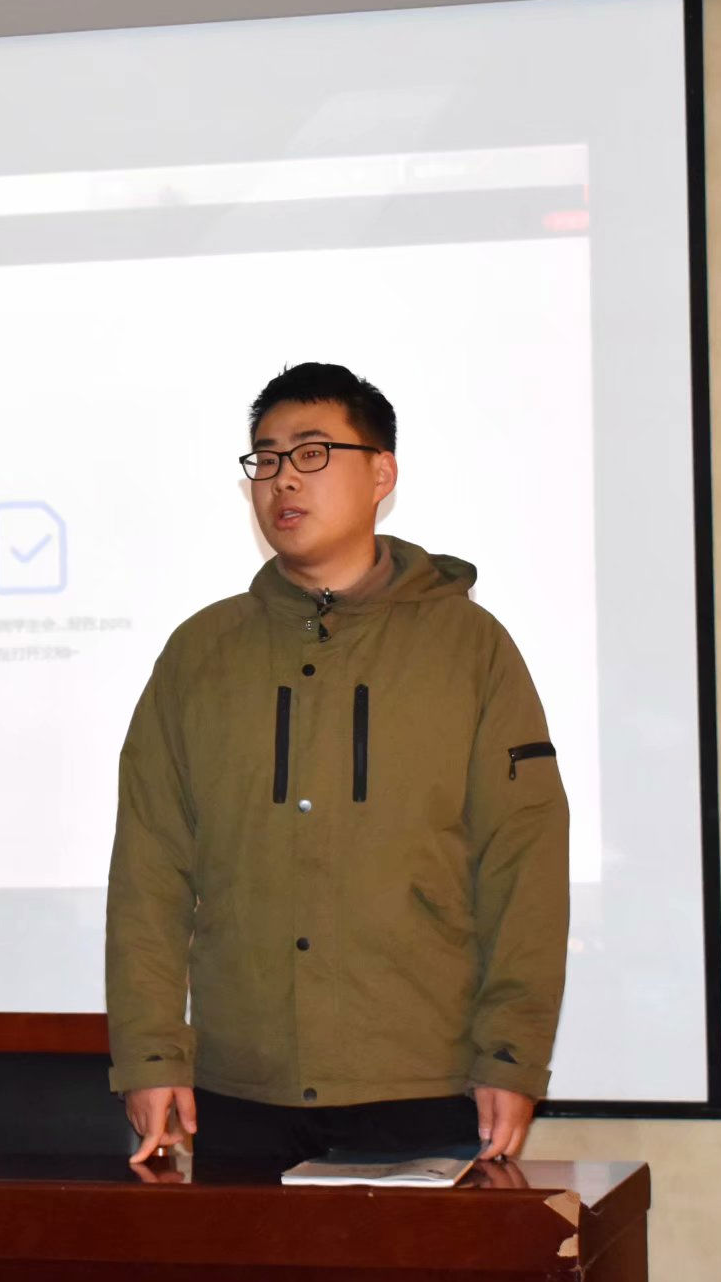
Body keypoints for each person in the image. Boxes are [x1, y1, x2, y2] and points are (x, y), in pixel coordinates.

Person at [105, 362, 569, 1166]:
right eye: (266, 457)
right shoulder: (201, 654)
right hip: (239, 1087)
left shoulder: (470, 649)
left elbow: (522, 862)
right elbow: (150, 869)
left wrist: (511, 1054)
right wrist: (150, 1053)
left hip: (420, 1080)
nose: (283, 478)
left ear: (382, 473)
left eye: (312, 453)